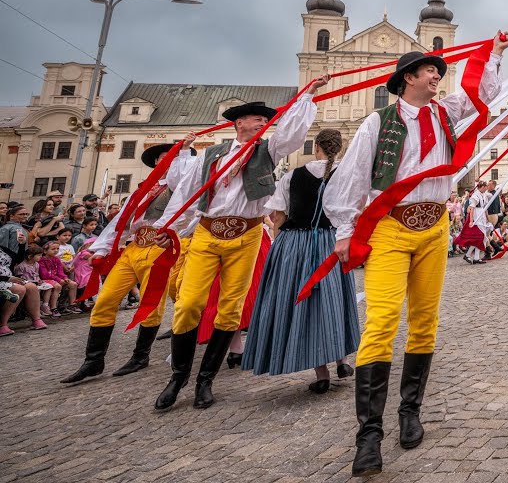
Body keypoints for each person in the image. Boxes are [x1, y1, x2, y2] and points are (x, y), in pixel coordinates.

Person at [325, 35, 507, 476]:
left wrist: (496, 53)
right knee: (383, 321)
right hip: (390, 227)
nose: (437, 76)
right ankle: (369, 434)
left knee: (425, 319)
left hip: (434, 227)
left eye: (439, 72)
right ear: (409, 77)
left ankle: (410, 410)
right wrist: (345, 230)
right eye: (430, 71)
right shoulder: (378, 122)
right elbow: (351, 178)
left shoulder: (444, 112)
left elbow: (480, 93)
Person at [155, 79, 326, 412]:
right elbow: (186, 195)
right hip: (207, 233)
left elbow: (289, 134)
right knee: (189, 303)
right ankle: (178, 378)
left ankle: (206, 380)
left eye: (265, 119)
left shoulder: (267, 151)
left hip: (245, 235)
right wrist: (170, 228)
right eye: (255, 118)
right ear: (238, 124)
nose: (263, 121)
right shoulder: (211, 156)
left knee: (231, 308)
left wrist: (307, 96)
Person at [61, 137, 200, 384]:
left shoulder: (181, 186)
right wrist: (102, 248)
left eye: (171, 158)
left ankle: (140, 355)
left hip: (159, 249)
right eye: (161, 158)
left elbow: (189, 209)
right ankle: (93, 361)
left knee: (151, 305)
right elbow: (120, 222)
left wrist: (185, 153)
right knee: (105, 300)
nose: (165, 161)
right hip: (134, 248)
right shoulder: (143, 189)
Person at [242, 128, 359, 394]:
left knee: (307, 306)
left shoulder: (293, 176)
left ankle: (322, 374)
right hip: (333, 244)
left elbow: (279, 216)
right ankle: (342, 359)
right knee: (334, 301)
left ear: (316, 146)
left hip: (297, 245)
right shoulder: (348, 175)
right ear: (339, 148)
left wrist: (277, 246)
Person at [1, 243, 46, 336]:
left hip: (10, 279)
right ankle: (2, 324)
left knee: (31, 286)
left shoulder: (3, 249)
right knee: (19, 289)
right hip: (3, 280)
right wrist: (7, 278)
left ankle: (36, 320)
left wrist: (21, 245)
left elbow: (19, 259)